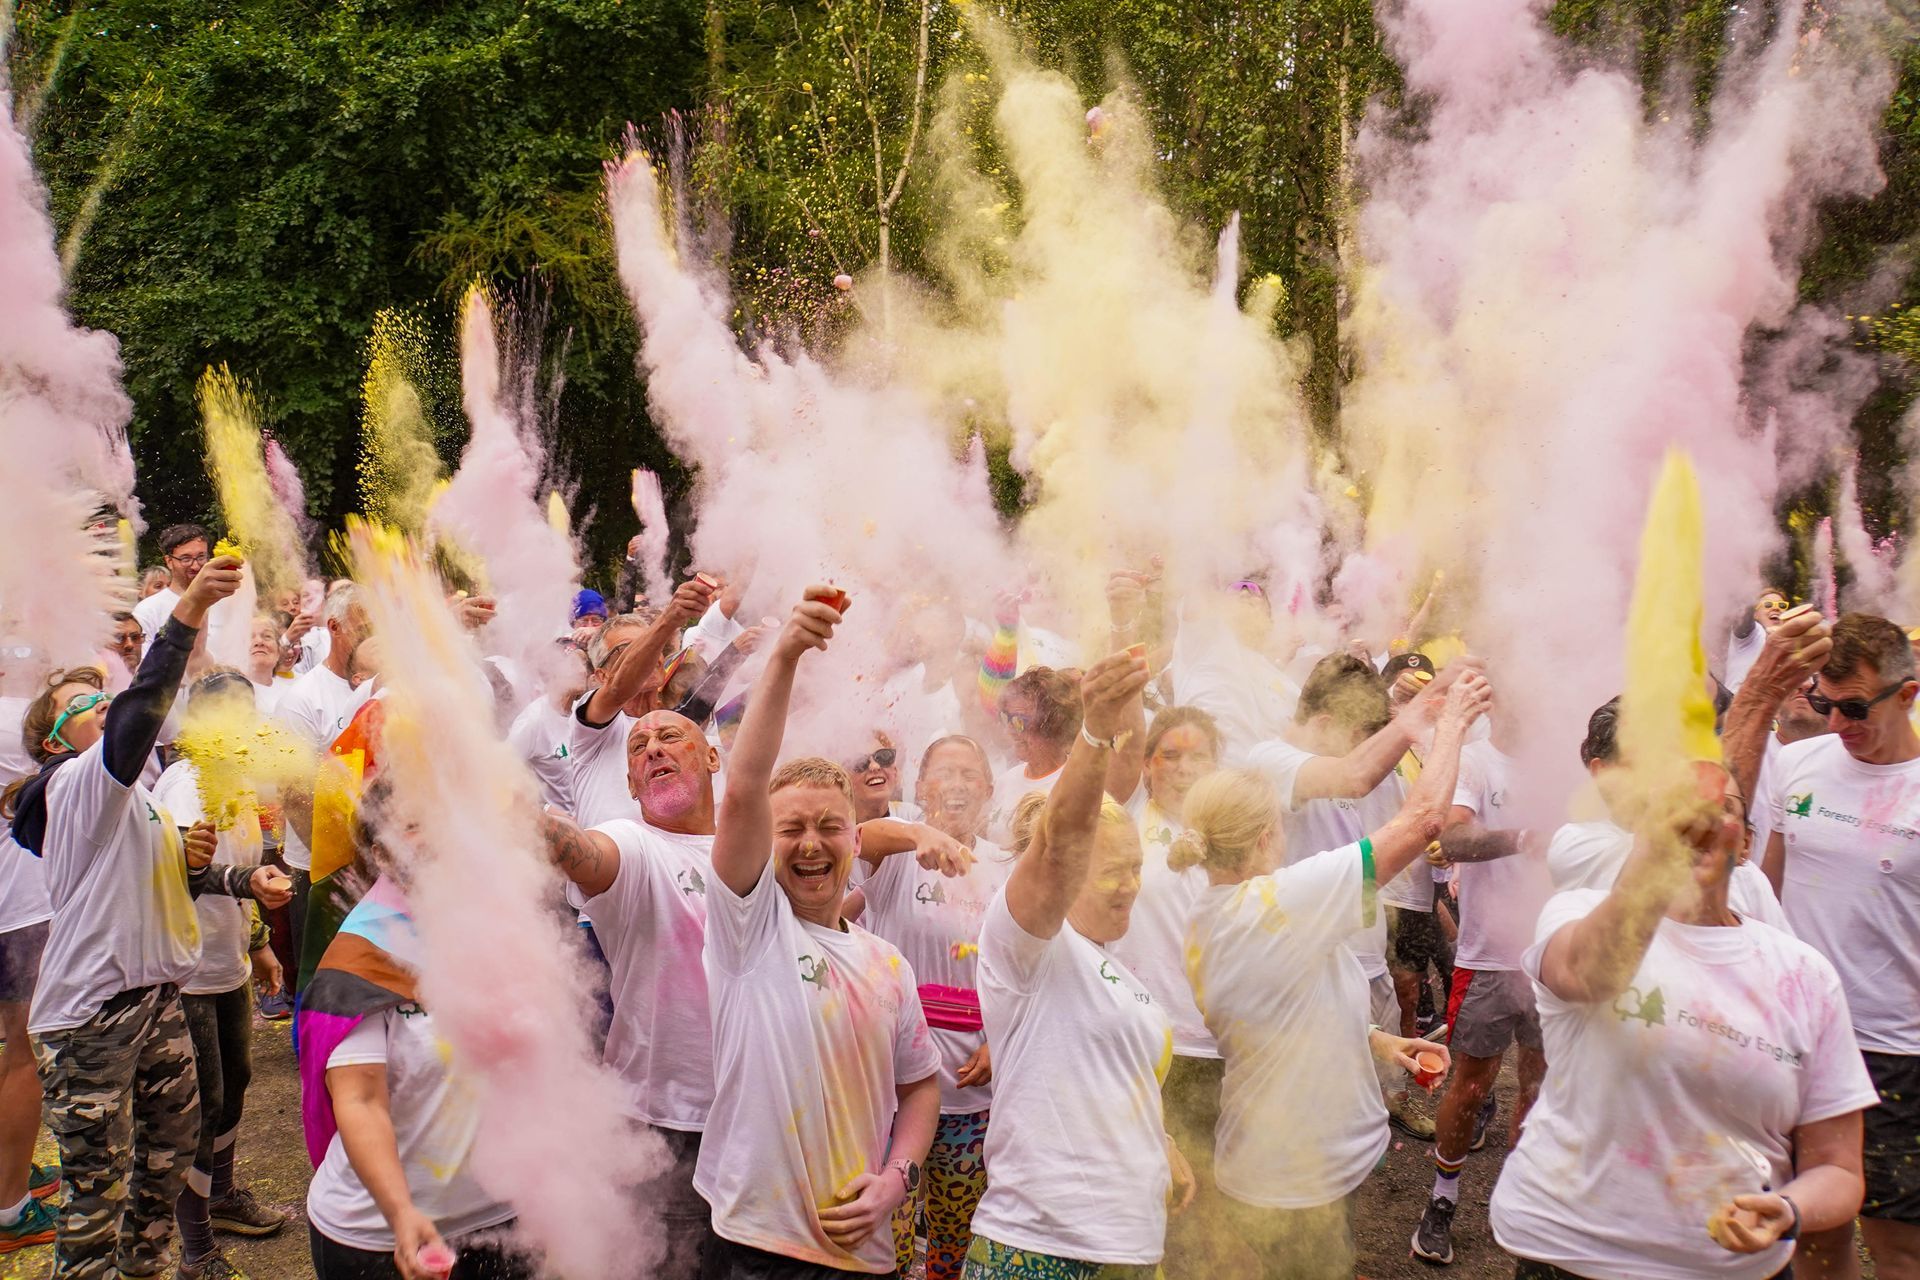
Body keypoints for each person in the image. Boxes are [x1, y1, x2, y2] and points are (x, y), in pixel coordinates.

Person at [1, 554, 292, 1279]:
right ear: (53, 741)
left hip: (155, 998)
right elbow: (139, 715)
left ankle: (147, 1269)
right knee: (95, 1197)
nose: (109, 706)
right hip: (92, 1015)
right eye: (91, 705)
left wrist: (225, 874)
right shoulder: (74, 785)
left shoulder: (136, 797)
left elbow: (173, 879)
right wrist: (187, 613)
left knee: (164, 1162)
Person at [1489, 760, 1876, 1279]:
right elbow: (1589, 973)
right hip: (1573, 1252)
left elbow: (1837, 1167)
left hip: (1734, 1265)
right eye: (1672, 812)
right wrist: (1654, 861)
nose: (1697, 823)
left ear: (1747, 845)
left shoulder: (1805, 975)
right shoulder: (1579, 912)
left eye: (1723, 809)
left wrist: (1788, 1210)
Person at [1176, 673, 1482, 1278]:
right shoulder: (1273, 907)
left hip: (1290, 1169)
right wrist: (1451, 728)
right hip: (1293, 1182)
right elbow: (1423, 820)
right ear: (1266, 839)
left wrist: (1380, 1040)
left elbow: (1290, 1010)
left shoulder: (1224, 913)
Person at [697, 585, 941, 1278]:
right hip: (759, 1249)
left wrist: (898, 1179)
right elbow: (744, 789)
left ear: (853, 839)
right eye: (792, 829)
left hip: (865, 1255)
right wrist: (784, 658)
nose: (810, 843)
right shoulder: (750, 929)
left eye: (829, 827)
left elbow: (921, 1085)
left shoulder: (887, 963)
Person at [964, 648, 1183, 1279]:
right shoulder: (1025, 948)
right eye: (1115, 872)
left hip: (1130, 1252)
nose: (1131, 887)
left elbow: (1101, 1074)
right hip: (1039, 1252)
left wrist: (1157, 1143)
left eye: (1136, 870)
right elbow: (1062, 841)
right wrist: (1094, 732)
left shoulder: (1109, 966)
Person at [1737, 613, 1920, 1279]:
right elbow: (1768, 888)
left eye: (1853, 707)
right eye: (1823, 701)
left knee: (1898, 1245)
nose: (1837, 724)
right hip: (1800, 1036)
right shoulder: (1802, 763)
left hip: (1895, 1050)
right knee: (1815, 1232)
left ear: (1907, 694)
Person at [1245, 651, 1463, 1140]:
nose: (1363, 747)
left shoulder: (1334, 753)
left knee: (1360, 1104)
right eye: (1356, 736)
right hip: (1307, 970)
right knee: (1313, 1114)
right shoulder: (1269, 759)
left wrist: (1428, 696)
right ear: (1323, 722)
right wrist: (1430, 716)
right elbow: (1356, 777)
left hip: (1362, 959)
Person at [305, 876, 530, 1280]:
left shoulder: (500, 930)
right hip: (378, 1235)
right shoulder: (361, 959)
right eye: (411, 823)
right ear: (380, 850)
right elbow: (361, 1100)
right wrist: (401, 1212)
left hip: (507, 1217)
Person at [855, 735, 1012, 1280]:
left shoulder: (1005, 867)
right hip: (894, 1086)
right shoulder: (898, 856)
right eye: (944, 773)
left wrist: (1003, 1039)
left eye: (971, 774)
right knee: (888, 1241)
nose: (958, 785)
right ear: (920, 787)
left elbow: (1027, 970)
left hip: (974, 1090)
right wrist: (919, 831)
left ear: (989, 790)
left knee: (954, 1238)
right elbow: (859, 837)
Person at [1410, 688, 1556, 1266]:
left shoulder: (1569, 759)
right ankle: (1442, 1200)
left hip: (1553, 955)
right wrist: (1521, 838)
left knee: (1541, 1085)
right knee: (1470, 1084)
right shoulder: (1476, 760)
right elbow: (1454, 838)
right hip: (1489, 956)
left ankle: (1524, 1198)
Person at [153, 670, 291, 1279]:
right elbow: (187, 870)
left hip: (227, 962)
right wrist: (248, 885)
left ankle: (225, 1196)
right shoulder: (186, 786)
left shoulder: (238, 783)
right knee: (198, 1107)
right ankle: (195, 1246)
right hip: (183, 970)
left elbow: (250, 861)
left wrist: (258, 942)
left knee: (235, 1083)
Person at [1103, 706, 1227, 1279]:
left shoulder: (1235, 835)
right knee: (1139, 1188)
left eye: (1197, 755)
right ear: (1148, 767)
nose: (1182, 767)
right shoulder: (1126, 818)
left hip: (1214, 1045)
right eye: (1169, 755)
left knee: (1202, 1199)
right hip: (1138, 1044)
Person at [1545, 698, 1789, 928]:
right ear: (1604, 772)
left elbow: (1786, 957)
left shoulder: (1746, 875)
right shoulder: (1576, 845)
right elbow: (1652, 860)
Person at [275, 581, 376, 992]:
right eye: (364, 625)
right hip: (321, 873)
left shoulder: (380, 685)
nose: (375, 634)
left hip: (374, 869)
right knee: (322, 986)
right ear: (334, 627)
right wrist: (334, 865)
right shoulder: (302, 698)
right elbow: (294, 793)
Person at [568, 578, 718, 828]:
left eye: (652, 645)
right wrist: (670, 618)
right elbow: (618, 689)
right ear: (602, 676)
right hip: (615, 864)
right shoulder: (594, 723)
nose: (650, 656)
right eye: (629, 650)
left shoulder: (682, 725)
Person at [0, 687, 58, 1253]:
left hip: (10, 908)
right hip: (21, 909)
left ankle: (7, 1171)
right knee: (26, 1058)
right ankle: (10, 1206)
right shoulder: (12, 714)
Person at [507, 645, 589, 815]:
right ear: (551, 671)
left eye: (584, 664)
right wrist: (547, 811)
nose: (583, 671)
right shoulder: (533, 721)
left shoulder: (581, 712)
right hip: (556, 833)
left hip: (591, 825)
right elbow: (501, 778)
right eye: (573, 664)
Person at [130, 524, 212, 658]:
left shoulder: (225, 600)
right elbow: (142, 663)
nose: (195, 565)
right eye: (186, 559)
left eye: (201, 557)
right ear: (169, 561)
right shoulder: (148, 609)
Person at [1723, 588, 1791, 694]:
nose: (1776, 608)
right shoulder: (1752, 633)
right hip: (1735, 704)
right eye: (1768, 605)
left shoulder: (1794, 645)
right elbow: (1744, 614)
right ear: (1755, 614)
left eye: (1782, 606)